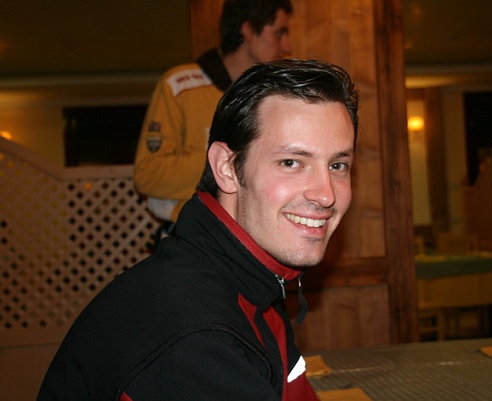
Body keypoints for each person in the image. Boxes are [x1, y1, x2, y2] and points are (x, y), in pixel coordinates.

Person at [37, 59, 359, 401]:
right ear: (226, 168)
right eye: (291, 162)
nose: (326, 194)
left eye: (338, 165)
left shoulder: (255, 281)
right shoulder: (195, 336)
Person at [133, 0, 293, 249]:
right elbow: (149, 174)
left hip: (260, 244)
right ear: (249, 31)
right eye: (279, 33)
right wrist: (235, 159)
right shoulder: (180, 86)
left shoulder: (276, 98)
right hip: (194, 243)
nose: (287, 46)